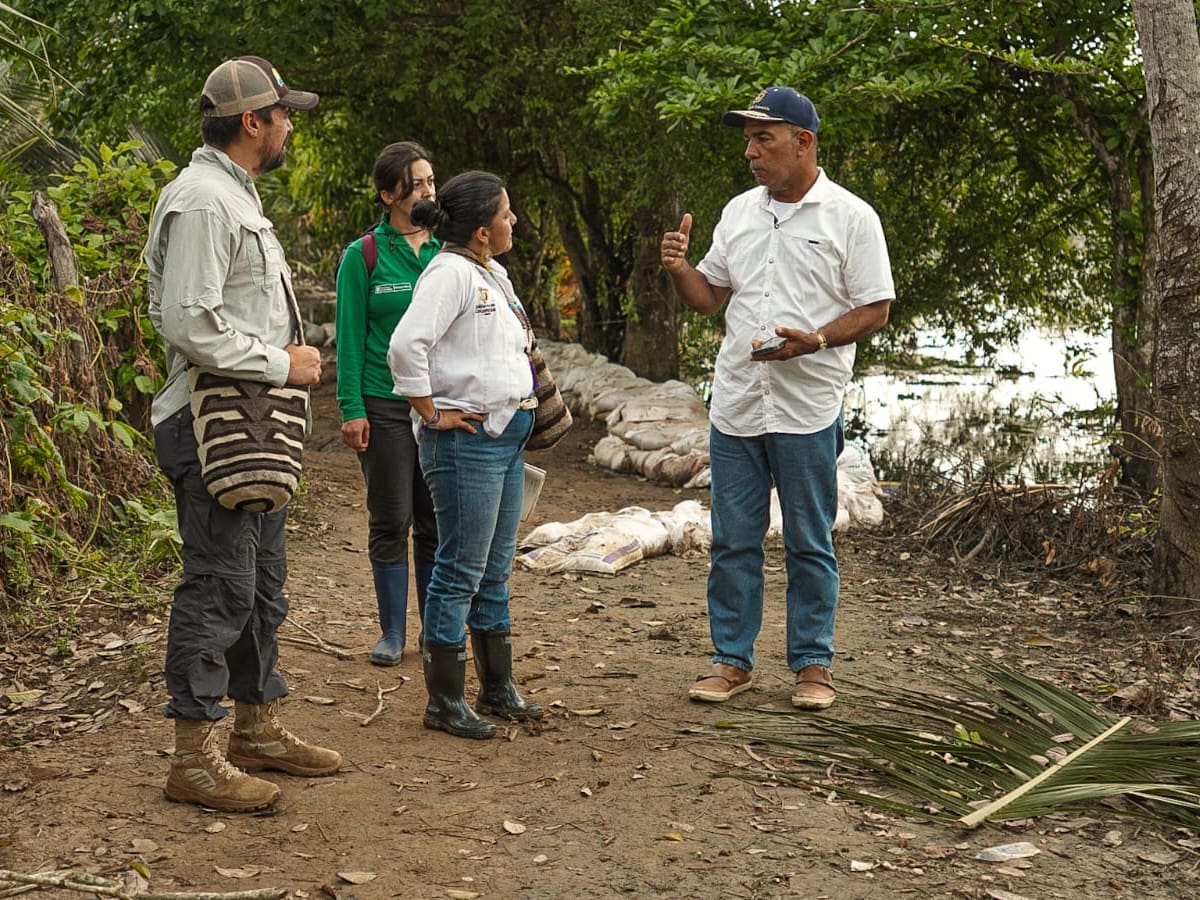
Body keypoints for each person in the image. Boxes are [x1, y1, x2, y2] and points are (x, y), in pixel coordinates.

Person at [145, 55, 341, 812]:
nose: (290, 125)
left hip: (249, 428)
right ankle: (193, 756)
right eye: (284, 114)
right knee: (220, 583)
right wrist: (281, 363)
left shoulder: (235, 196)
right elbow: (189, 322)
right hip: (211, 425)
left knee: (261, 584)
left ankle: (256, 728)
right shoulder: (204, 201)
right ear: (252, 121)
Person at [660, 87, 894, 710]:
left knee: (807, 541)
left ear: (803, 142)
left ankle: (813, 664)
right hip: (738, 403)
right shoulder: (738, 213)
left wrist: (815, 341)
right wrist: (680, 269)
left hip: (806, 407)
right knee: (732, 540)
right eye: (748, 140)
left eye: (763, 139)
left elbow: (875, 307)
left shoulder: (851, 217)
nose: (751, 152)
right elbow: (709, 297)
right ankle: (731, 661)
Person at [387, 171, 544, 740]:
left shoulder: (491, 273)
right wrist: (431, 413)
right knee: (459, 570)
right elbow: (405, 345)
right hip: (465, 446)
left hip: (503, 438)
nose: (513, 221)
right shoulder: (450, 274)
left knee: (495, 571)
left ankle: (496, 686)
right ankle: (444, 700)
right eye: (506, 213)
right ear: (482, 230)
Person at [336, 142, 440, 666]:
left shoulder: (448, 251)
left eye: (431, 182)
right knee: (391, 517)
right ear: (388, 195)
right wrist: (351, 408)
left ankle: (434, 631)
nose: (427, 192)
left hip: (440, 406)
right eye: (416, 184)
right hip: (384, 403)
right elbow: (350, 337)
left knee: (435, 521)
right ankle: (392, 632)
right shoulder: (364, 256)